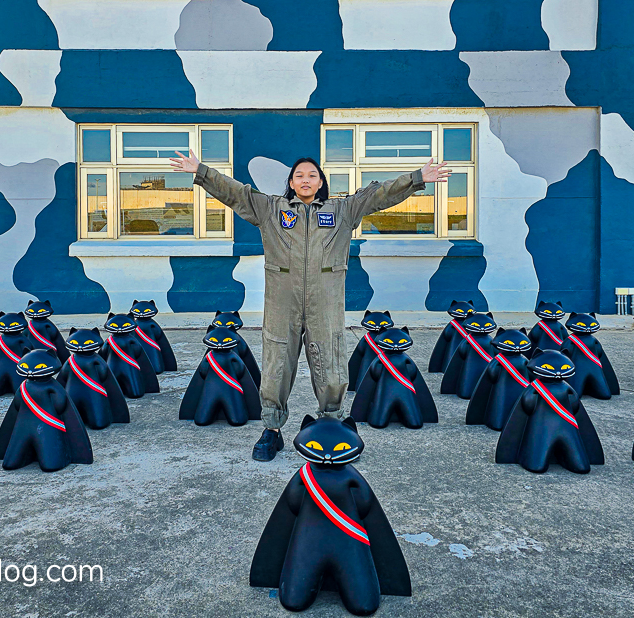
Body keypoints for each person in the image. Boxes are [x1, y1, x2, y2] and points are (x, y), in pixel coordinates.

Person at [170, 151, 451, 460]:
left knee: (331, 360)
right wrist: (202, 170)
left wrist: (416, 178)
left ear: (321, 183)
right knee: (277, 361)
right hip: (282, 302)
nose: (306, 179)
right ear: (291, 182)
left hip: (325, 302)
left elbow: (377, 195)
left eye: (312, 175)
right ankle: (272, 430)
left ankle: (331, 423)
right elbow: (236, 192)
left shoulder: (342, 210)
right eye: (299, 175)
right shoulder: (271, 209)